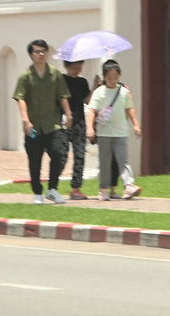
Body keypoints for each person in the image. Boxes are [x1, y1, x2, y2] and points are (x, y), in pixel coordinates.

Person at [12, 39, 71, 204]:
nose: (41, 54)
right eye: (37, 51)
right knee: (35, 159)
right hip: (32, 127)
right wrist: (25, 120)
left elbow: (63, 96)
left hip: (53, 124)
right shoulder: (26, 76)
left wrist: (69, 114)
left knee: (58, 153)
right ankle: (37, 193)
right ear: (31, 55)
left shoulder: (55, 74)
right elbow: (20, 98)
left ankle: (52, 189)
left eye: (44, 51)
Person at [86, 59, 142, 201]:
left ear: (119, 76)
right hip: (104, 133)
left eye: (115, 78)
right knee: (105, 161)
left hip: (121, 132)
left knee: (123, 160)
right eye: (109, 78)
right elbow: (91, 110)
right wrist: (89, 128)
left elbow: (130, 108)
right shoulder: (99, 92)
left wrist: (136, 124)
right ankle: (103, 189)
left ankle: (129, 185)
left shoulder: (123, 92)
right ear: (104, 77)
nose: (113, 80)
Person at [61, 59, 92, 199]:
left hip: (79, 123)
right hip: (64, 123)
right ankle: (53, 184)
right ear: (66, 66)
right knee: (62, 155)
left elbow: (87, 100)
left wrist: (95, 87)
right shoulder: (61, 80)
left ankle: (76, 188)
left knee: (80, 156)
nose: (77, 70)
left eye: (79, 67)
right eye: (74, 67)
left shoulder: (82, 82)